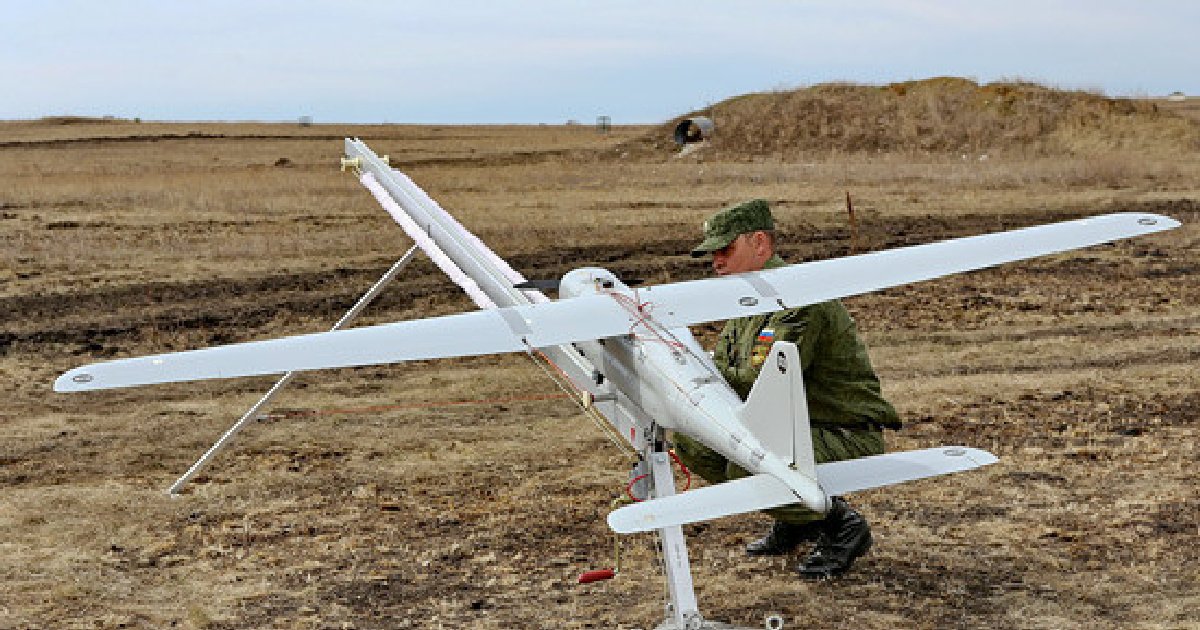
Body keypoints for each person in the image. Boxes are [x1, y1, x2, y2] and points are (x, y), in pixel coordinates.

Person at [675, 198, 902, 579]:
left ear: (759, 243)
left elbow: (755, 379)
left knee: (745, 464)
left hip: (843, 432)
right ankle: (797, 518)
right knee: (696, 443)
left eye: (725, 250)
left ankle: (840, 526)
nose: (716, 263)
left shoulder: (797, 299)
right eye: (713, 253)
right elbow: (724, 369)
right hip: (795, 428)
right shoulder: (750, 299)